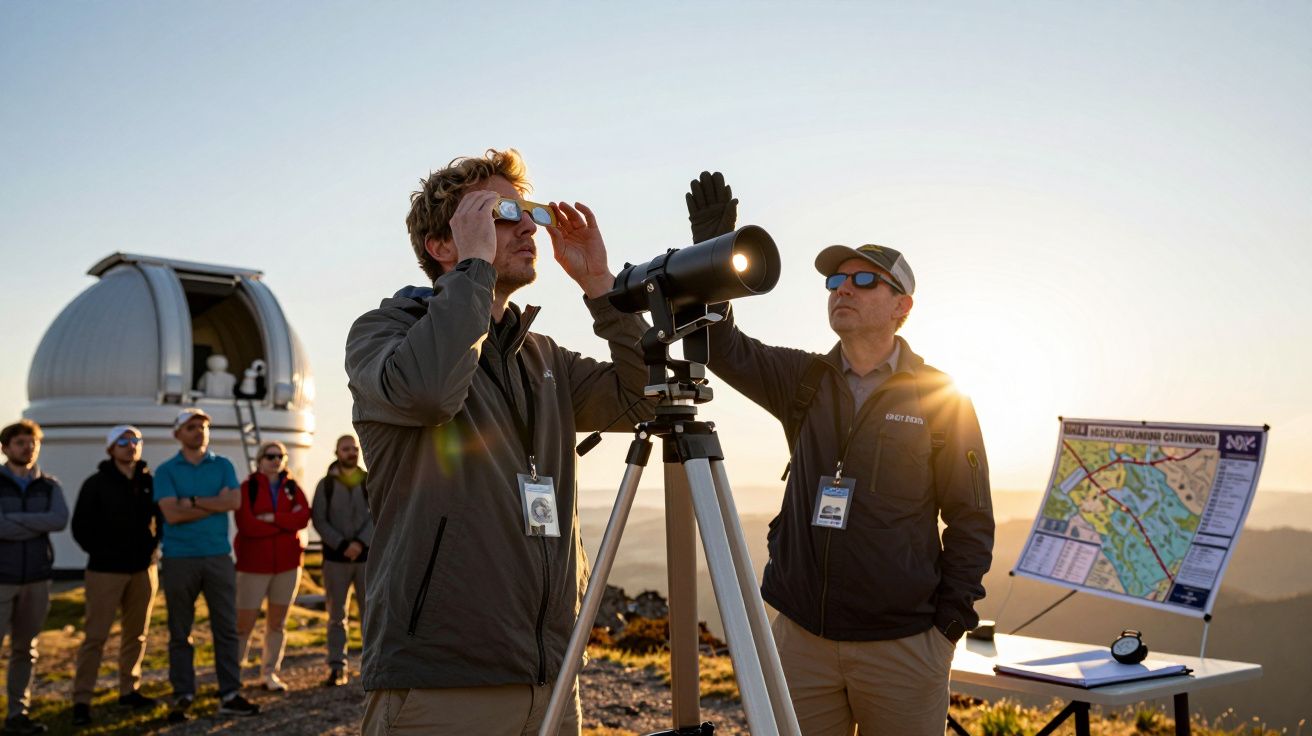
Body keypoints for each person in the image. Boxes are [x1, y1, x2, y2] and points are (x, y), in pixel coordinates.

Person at [345, 148, 652, 734]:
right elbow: (431, 392)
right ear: (442, 245)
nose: (528, 225)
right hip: (441, 683)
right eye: (500, 211)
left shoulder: (541, 357)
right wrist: (475, 273)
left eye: (528, 211)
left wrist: (601, 289)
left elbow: (643, 398)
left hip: (551, 679)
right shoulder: (384, 333)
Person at [688, 173, 995, 736]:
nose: (841, 288)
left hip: (904, 647)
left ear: (902, 306)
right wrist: (714, 254)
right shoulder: (804, 380)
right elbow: (717, 344)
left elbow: (972, 518)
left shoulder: (941, 396)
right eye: (834, 279)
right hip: (802, 640)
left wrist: (948, 625)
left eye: (862, 280)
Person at [153, 408, 260, 722]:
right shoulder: (165, 470)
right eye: (191, 427)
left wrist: (193, 501)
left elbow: (234, 503)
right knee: (179, 630)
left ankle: (229, 693)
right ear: (177, 433)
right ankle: (183, 693)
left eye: (202, 426)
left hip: (217, 556)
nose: (198, 431)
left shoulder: (224, 465)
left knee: (226, 629)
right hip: (178, 558)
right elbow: (171, 514)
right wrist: (213, 503)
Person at [70, 425, 164, 726]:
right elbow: (80, 527)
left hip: (143, 569)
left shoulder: (150, 481)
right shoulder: (96, 484)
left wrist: (152, 549)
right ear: (111, 448)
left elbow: (160, 520)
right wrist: (104, 552)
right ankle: (82, 700)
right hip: (105, 571)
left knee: (136, 634)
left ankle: (129, 690)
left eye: (135, 440)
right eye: (123, 441)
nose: (130, 445)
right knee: (95, 637)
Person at [0, 420, 69, 736]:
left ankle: (17, 714)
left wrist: (14, 521)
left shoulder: (50, 486)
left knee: (25, 649)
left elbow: (58, 520)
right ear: (5, 448)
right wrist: (35, 524)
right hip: (2, 578)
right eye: (20, 443)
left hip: (37, 578)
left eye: (32, 442)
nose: (27, 448)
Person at [233, 440, 311, 693]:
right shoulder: (248, 487)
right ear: (260, 459)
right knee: (243, 624)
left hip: (287, 566)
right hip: (253, 566)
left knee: (277, 624)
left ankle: (269, 673)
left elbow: (303, 517)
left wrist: (273, 519)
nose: (276, 460)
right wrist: (284, 525)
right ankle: (233, 674)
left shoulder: (292, 487)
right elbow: (246, 524)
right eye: (270, 456)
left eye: (280, 456)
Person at [310, 434, 371, 687]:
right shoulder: (325, 485)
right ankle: (338, 668)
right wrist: (343, 545)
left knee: (371, 614)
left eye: (354, 448)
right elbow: (319, 519)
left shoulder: (370, 481)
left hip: (367, 559)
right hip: (335, 561)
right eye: (346, 449)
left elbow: (379, 514)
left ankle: (372, 667)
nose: (351, 452)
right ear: (336, 452)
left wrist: (360, 543)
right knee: (337, 615)